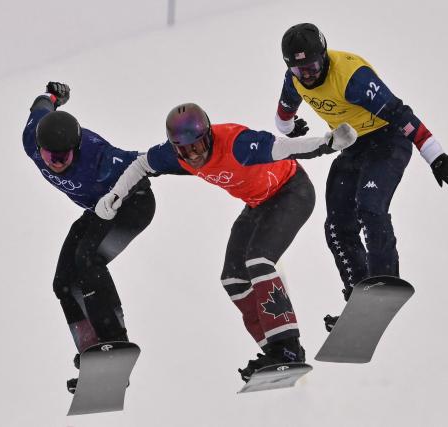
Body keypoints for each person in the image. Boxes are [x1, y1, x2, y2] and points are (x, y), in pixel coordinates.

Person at [95, 102, 357, 382]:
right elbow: (141, 164)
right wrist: (116, 194)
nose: (193, 155)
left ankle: (289, 348)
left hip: (292, 191)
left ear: (208, 135)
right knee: (233, 278)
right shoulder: (174, 156)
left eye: (197, 146)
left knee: (259, 260)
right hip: (258, 205)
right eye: (184, 150)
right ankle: (274, 349)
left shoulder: (237, 143)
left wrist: (329, 142)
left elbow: (285, 148)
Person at [274, 23, 448, 330]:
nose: (306, 75)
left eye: (311, 67)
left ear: (324, 56)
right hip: (353, 146)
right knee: (336, 226)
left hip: (387, 141)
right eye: (298, 70)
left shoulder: (352, 77)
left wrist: (435, 155)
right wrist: (290, 127)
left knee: (370, 207)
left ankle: (384, 282)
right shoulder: (293, 81)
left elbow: (401, 114)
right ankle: (358, 296)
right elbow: (283, 115)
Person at [22, 82, 155, 393]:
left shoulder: (99, 156)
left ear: (77, 148)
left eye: (62, 157)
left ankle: (114, 341)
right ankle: (92, 351)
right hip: (98, 211)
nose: (55, 164)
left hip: (134, 206)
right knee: (63, 283)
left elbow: (147, 162)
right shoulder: (32, 138)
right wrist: (55, 96)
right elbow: (40, 105)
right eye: (48, 157)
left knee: (87, 259)